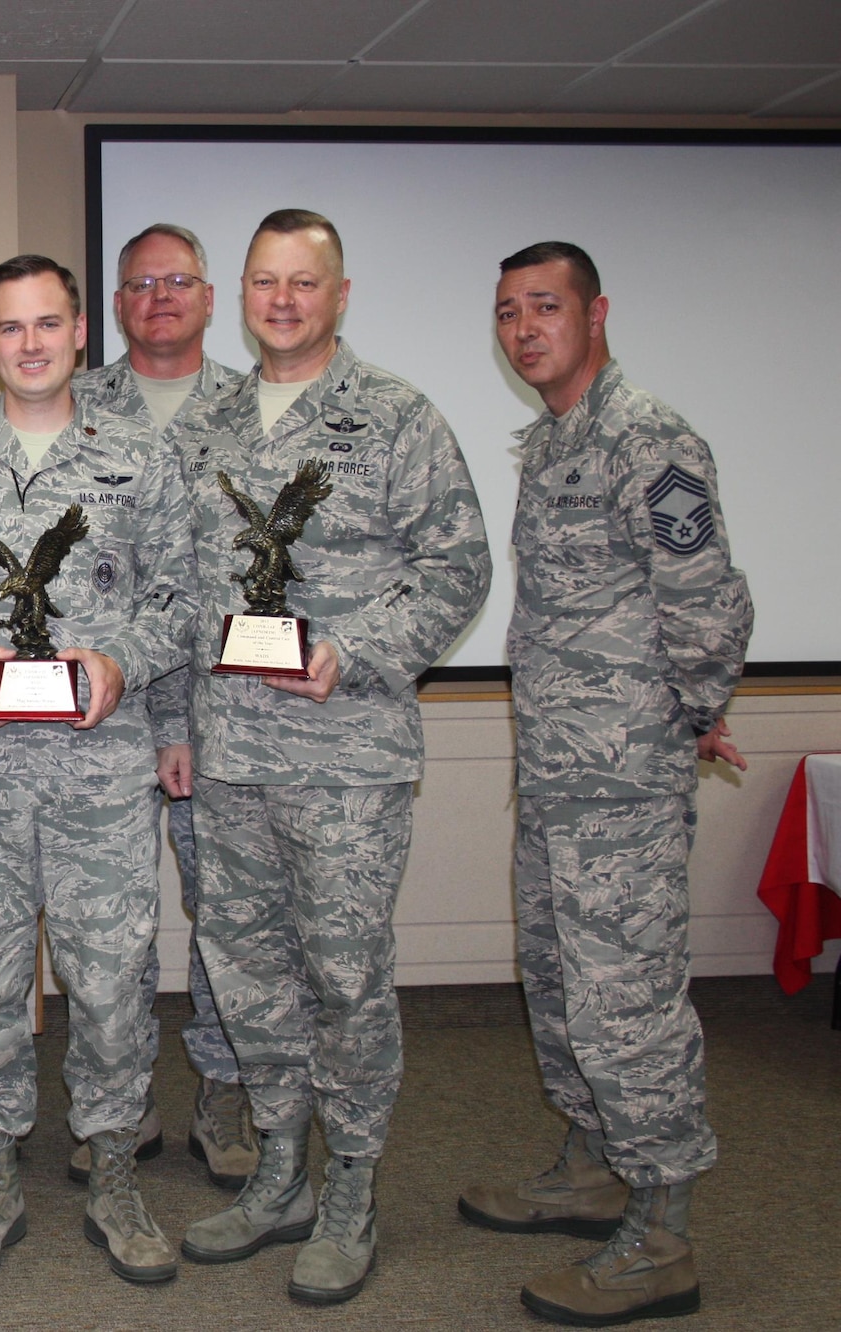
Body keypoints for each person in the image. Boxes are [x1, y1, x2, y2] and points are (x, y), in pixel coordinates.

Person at [178, 210, 491, 1305]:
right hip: (227, 752)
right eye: (262, 281)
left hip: (343, 753)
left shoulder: (395, 416)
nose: (280, 300)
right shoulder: (207, 421)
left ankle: (350, 1186)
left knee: (344, 974)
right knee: (246, 971)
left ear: (339, 294)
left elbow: (457, 566)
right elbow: (177, 591)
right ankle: (278, 1171)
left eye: (301, 283)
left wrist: (353, 651)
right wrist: (175, 727)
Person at [0, 255, 196, 1285]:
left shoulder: (137, 459)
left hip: (99, 772)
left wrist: (122, 663)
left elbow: (179, 599)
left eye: (46, 324)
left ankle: (111, 1170)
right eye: (9, 327)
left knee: (109, 980)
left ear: (74, 333)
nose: (28, 343)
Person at [461, 242, 752, 1326]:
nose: (523, 328)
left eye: (544, 306)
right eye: (506, 312)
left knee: (626, 1003)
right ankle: (590, 1167)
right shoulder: (551, 444)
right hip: (555, 780)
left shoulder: (649, 440)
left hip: (618, 787)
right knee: (560, 980)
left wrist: (679, 717)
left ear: (595, 313)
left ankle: (661, 1233)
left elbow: (706, 602)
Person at [72, 222, 252, 1189]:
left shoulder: (253, 408)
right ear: (117, 303)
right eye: (140, 283)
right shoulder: (74, 404)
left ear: (209, 296)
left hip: (227, 712)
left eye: (177, 280)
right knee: (116, 924)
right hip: (100, 719)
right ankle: (124, 1089)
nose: (160, 297)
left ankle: (223, 1087)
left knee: (223, 912)